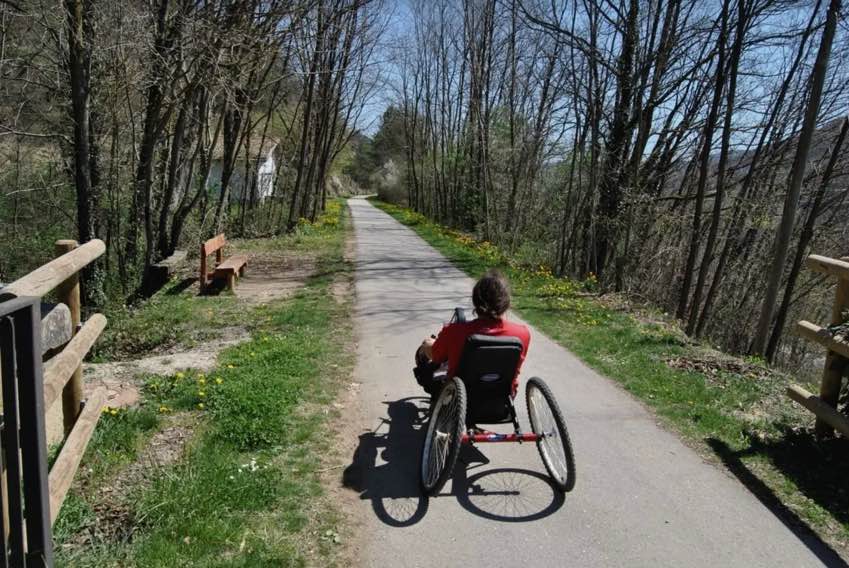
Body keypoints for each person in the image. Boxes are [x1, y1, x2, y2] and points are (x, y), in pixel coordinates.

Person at [414, 270, 530, 397]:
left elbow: (436, 357)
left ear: (475, 301)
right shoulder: (522, 334)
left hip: (462, 397)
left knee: (429, 358)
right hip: (501, 397)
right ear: (506, 303)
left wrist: (427, 345)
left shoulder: (454, 331)